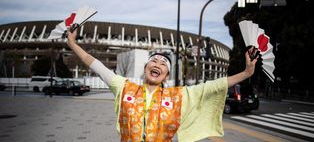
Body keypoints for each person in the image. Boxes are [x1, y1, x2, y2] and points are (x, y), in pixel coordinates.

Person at [66, 27, 258, 142]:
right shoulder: (124, 87)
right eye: (154, 61)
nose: (157, 64)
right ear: (146, 67)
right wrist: (73, 44)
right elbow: (97, 66)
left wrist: (246, 72)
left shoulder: (178, 95)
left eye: (163, 64)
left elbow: (212, 86)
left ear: (166, 75)